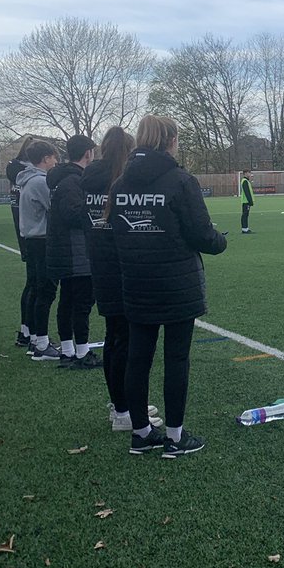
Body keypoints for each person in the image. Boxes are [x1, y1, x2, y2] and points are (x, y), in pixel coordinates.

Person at [110, 115, 227, 458]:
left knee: (138, 358)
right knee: (176, 358)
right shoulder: (180, 181)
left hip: (136, 281)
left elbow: (116, 234)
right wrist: (221, 241)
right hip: (176, 285)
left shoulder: (120, 185)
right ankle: (175, 437)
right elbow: (202, 234)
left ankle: (141, 433)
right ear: (171, 140)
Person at [83, 127, 161, 432]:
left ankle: (121, 404)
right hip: (122, 266)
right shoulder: (122, 181)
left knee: (115, 337)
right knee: (125, 342)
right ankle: (124, 410)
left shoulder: (89, 177)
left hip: (99, 264)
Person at [46, 134, 100, 369]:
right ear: (88, 153)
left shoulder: (65, 179)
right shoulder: (72, 181)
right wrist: (97, 216)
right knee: (80, 303)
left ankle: (69, 350)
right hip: (74, 252)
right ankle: (80, 352)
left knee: (68, 301)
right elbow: (73, 214)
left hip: (66, 250)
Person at [17, 140, 61, 360]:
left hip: (32, 240)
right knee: (45, 291)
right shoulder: (40, 181)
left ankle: (35, 338)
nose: (55, 161)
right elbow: (55, 208)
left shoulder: (28, 180)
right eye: (54, 157)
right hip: (42, 241)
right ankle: (41, 344)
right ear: (45, 158)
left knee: (36, 289)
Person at [7, 137, 34, 348]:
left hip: (25, 233)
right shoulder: (30, 179)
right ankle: (33, 334)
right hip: (34, 236)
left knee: (33, 284)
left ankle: (27, 330)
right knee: (37, 286)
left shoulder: (18, 176)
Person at [240, 169, 254, 233]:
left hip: (245, 201)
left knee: (245, 215)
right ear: (245, 173)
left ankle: (245, 228)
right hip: (246, 201)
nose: (250, 174)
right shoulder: (245, 181)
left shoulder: (246, 181)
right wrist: (250, 201)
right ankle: (245, 229)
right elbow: (247, 192)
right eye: (249, 173)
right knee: (245, 215)